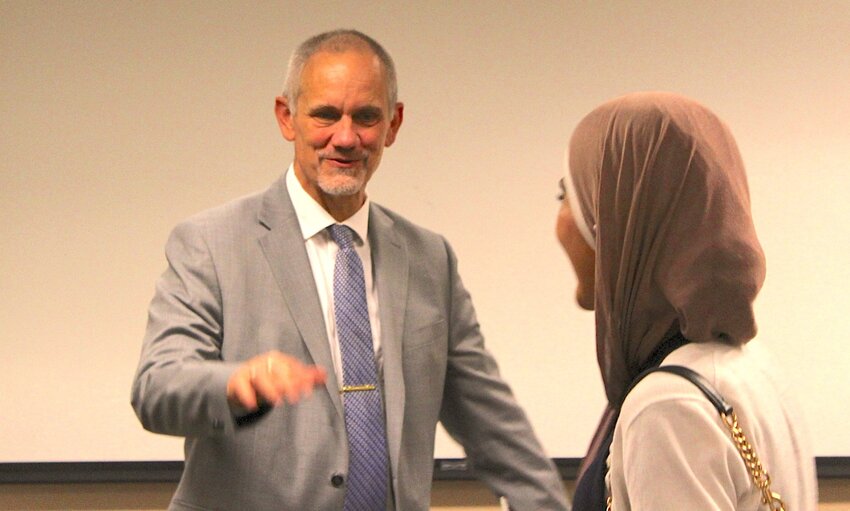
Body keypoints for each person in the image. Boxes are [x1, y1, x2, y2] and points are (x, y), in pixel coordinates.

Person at [131, 29, 568, 511]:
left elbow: (491, 421)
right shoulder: (210, 242)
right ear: (286, 117)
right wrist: (237, 384)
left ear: (394, 124)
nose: (345, 138)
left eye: (365, 117)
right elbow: (157, 387)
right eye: (324, 115)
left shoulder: (429, 258)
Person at [556, 91, 818, 509]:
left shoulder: (668, 405)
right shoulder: (750, 367)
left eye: (568, 195)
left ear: (618, 214)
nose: (560, 222)